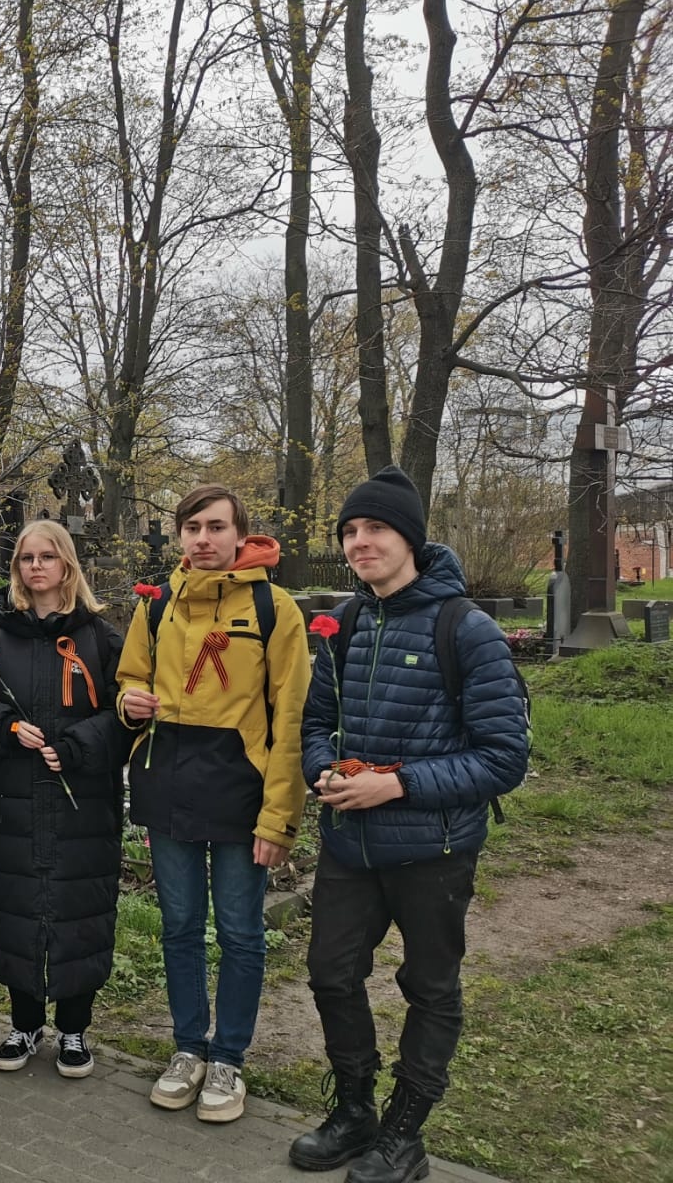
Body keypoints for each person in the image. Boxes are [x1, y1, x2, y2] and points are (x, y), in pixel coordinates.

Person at [290, 466, 528, 1183]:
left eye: (376, 529)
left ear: (412, 540)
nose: (360, 542)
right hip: (350, 845)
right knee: (330, 973)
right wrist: (323, 770)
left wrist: (396, 785)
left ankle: (405, 1134)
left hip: (434, 849)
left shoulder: (467, 630)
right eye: (350, 531)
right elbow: (316, 723)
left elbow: (503, 758)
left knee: (429, 987)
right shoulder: (344, 623)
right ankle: (355, 1110)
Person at [117, 484, 311, 1123]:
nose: (203, 538)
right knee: (179, 927)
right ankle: (188, 1049)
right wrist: (129, 701)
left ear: (239, 534)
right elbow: (131, 676)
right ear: (180, 535)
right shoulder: (157, 605)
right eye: (193, 527)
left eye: (216, 527)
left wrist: (279, 817)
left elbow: (291, 717)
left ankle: (228, 1058)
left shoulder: (274, 608)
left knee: (239, 931)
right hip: (168, 785)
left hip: (240, 791)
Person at [0, 520, 125, 1080]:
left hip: (81, 801)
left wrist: (78, 745)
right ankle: (24, 1022)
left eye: (47, 556)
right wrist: (9, 727)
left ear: (66, 564)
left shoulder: (100, 637)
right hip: (10, 798)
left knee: (78, 908)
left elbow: (123, 713)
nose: (36, 566)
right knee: (13, 907)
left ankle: (75, 1028)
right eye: (26, 558)